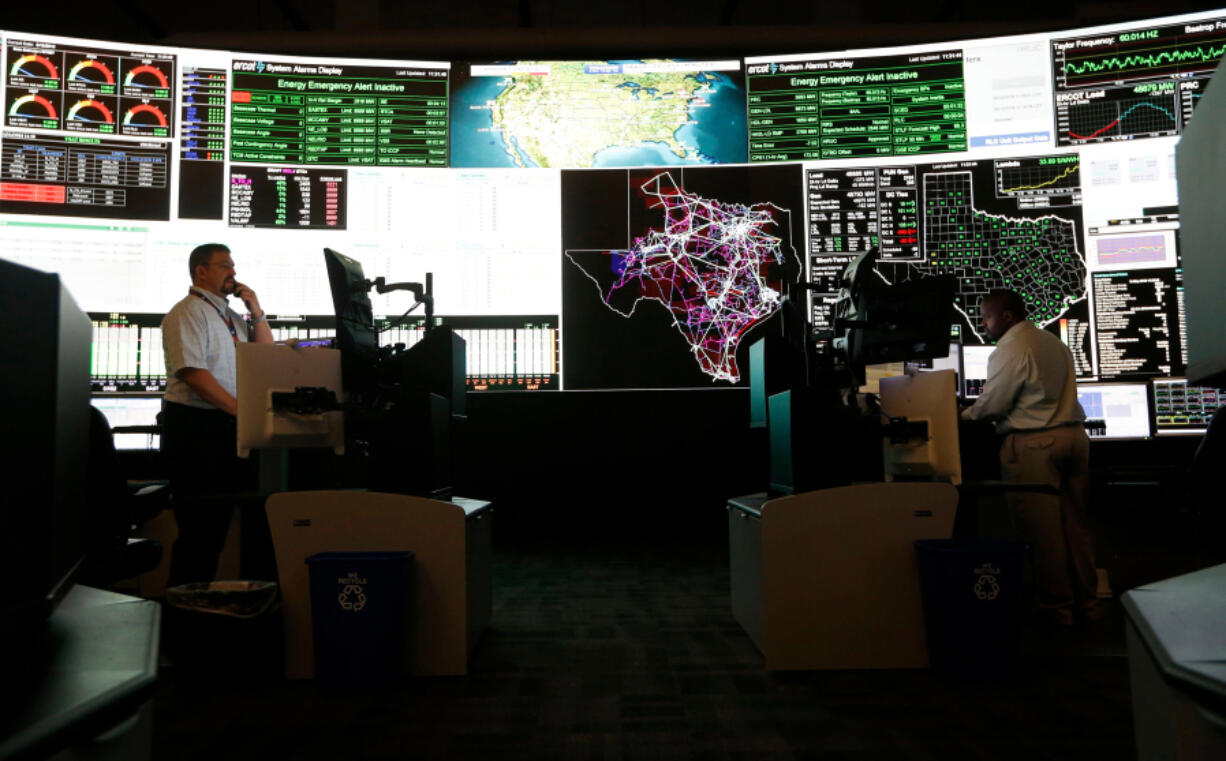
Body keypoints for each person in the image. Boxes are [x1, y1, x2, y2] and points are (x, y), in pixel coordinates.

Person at [960, 289, 1099, 626]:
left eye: (987, 316)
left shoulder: (1012, 347)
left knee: (1043, 534)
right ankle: (1089, 605)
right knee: (1075, 529)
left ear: (1006, 316)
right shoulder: (1052, 342)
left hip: (1035, 443)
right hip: (1074, 438)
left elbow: (993, 405)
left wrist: (961, 415)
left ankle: (1056, 611)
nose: (982, 323)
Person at [161, 243, 274, 585]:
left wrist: (255, 310)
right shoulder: (187, 312)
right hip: (197, 432)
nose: (234, 272)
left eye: (233, 265)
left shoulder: (231, 316)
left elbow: (266, 357)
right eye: (225, 265)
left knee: (230, 528)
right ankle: (181, 621)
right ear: (201, 272)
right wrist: (244, 413)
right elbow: (193, 373)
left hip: (226, 428)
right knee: (200, 535)